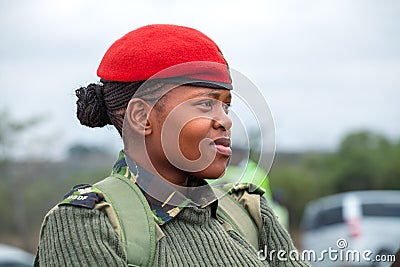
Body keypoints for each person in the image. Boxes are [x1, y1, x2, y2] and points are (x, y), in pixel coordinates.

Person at [34, 24, 310, 266]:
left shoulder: (249, 211)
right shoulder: (88, 224)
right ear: (142, 116)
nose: (225, 121)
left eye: (226, 106)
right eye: (205, 104)